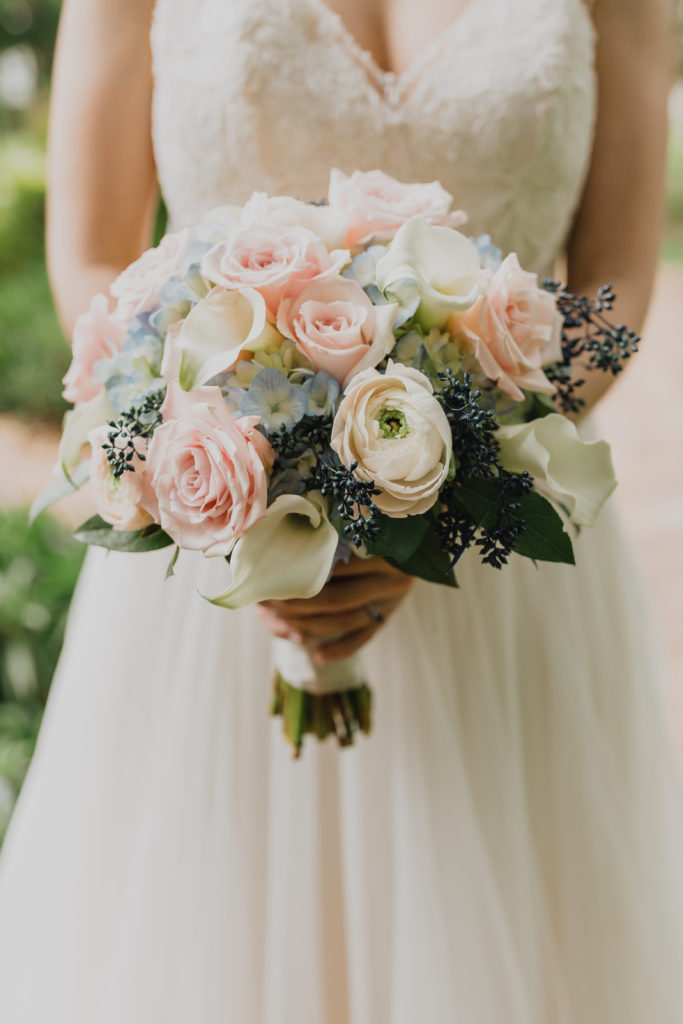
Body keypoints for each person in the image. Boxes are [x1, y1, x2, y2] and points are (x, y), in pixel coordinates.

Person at [0, 0, 681, 1020]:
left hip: (500, 563)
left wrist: (445, 488)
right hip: (219, 558)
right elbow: (93, 258)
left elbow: (615, 288)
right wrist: (258, 482)